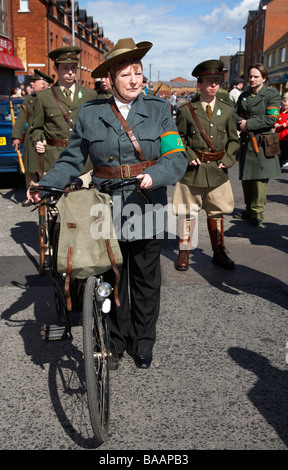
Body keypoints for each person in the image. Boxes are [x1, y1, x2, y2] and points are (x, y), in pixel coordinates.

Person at [27, 37, 188, 369]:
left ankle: (143, 342)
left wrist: (154, 176)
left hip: (146, 203)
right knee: (110, 278)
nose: (133, 80)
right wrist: (46, 185)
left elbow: (176, 156)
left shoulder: (158, 110)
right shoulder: (91, 112)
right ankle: (112, 341)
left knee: (145, 278)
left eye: (138, 73)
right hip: (105, 205)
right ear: (111, 77)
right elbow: (71, 161)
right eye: (126, 74)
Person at [172, 59, 239, 271]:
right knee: (186, 212)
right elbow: (178, 137)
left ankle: (219, 251)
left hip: (217, 170)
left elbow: (234, 140)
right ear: (199, 84)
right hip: (193, 169)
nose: (214, 85)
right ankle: (184, 251)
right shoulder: (186, 110)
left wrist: (227, 161)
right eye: (209, 81)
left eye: (217, 81)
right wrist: (188, 154)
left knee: (217, 212)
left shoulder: (227, 111)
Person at [30, 46, 98, 182]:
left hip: (83, 161)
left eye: (73, 68)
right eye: (65, 68)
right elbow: (36, 128)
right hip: (54, 160)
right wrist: (39, 140)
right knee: (55, 202)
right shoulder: (44, 97)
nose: (70, 72)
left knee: (82, 200)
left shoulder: (90, 95)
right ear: (56, 69)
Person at [235, 63, 281, 225]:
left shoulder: (272, 94)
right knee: (246, 179)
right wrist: (240, 122)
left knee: (259, 181)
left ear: (264, 78)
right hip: (246, 142)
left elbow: (271, 118)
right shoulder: (244, 96)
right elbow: (235, 114)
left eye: (256, 76)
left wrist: (248, 124)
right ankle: (248, 209)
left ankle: (258, 213)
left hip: (261, 143)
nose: (252, 79)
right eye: (250, 76)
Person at [12, 69, 54, 205]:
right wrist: (17, 137)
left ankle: (47, 194)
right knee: (30, 168)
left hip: (46, 139)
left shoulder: (51, 98)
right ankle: (31, 194)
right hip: (30, 140)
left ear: (43, 84)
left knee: (45, 168)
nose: (31, 84)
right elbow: (21, 118)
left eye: (34, 82)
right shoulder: (29, 99)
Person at [274, 93, 288, 169]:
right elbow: (273, 120)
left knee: (284, 150)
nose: (284, 107)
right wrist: (275, 124)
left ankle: (283, 162)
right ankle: (280, 163)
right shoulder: (278, 113)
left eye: (286, 106)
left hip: (286, 136)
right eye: (283, 106)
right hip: (278, 135)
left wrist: (286, 124)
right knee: (279, 151)